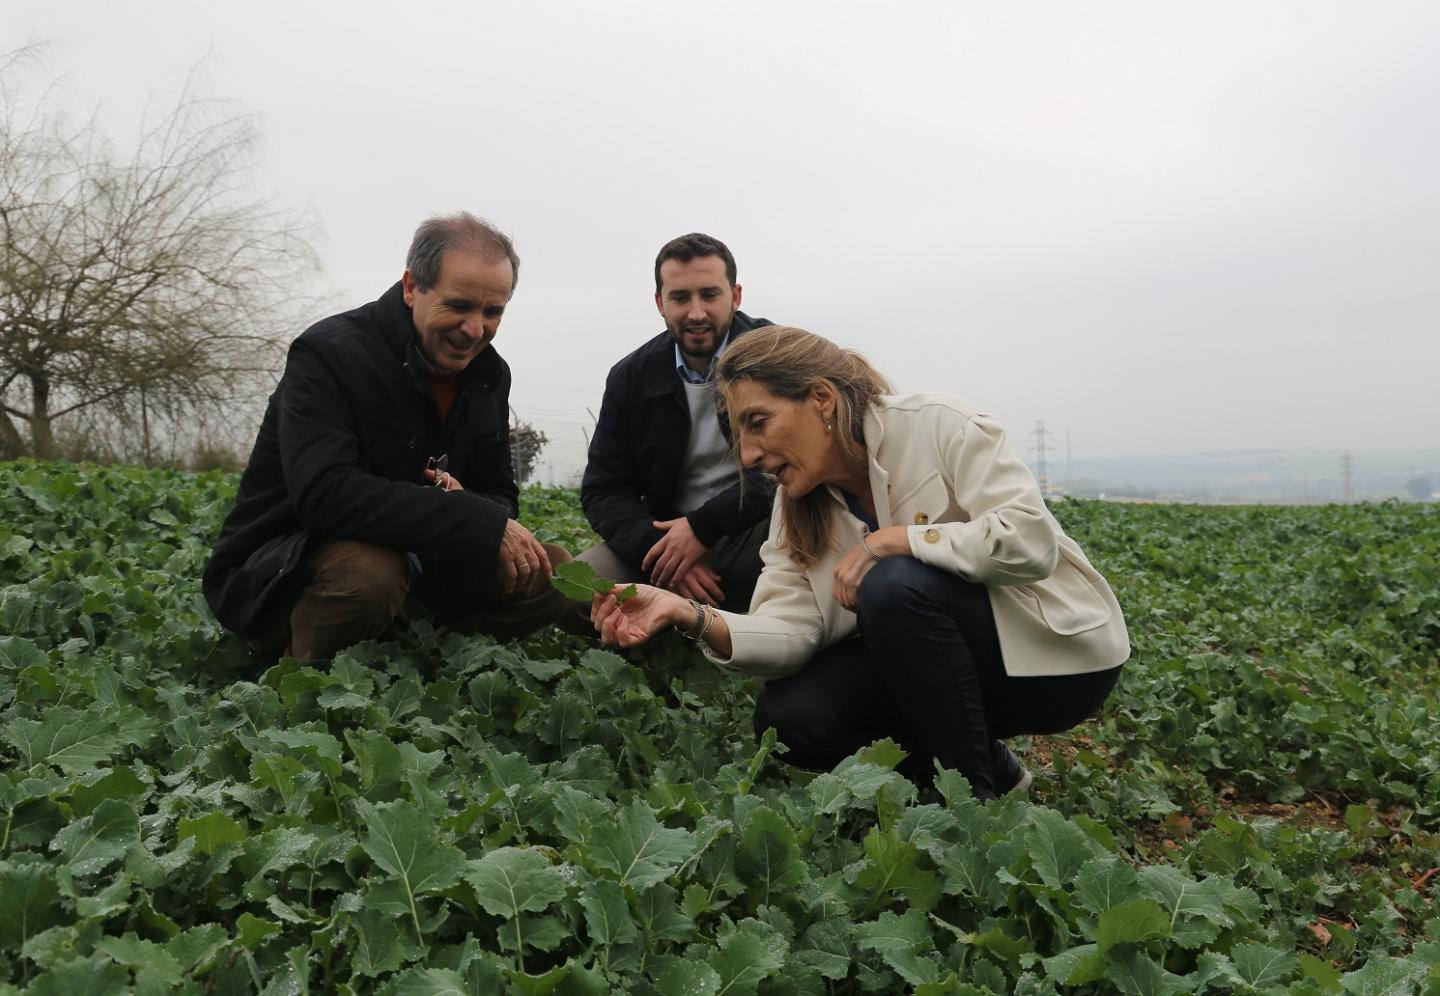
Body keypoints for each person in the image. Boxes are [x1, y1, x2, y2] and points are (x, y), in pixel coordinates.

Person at [590, 326, 1130, 799]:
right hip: (936, 667)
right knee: (793, 719)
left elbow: (1029, 541)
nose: (748, 455)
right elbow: (791, 629)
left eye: (758, 422)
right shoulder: (796, 506)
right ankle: (991, 767)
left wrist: (895, 541)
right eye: (739, 434)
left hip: (1055, 659)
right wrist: (688, 613)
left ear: (821, 398)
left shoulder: (938, 425)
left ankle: (972, 810)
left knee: (894, 585)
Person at [203, 212, 571, 661]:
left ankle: (425, 649)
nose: (476, 330)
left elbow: (499, 494)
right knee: (370, 572)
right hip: (289, 562)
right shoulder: (329, 354)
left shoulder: (488, 374)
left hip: (421, 560)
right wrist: (465, 515)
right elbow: (324, 495)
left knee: (552, 567)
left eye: (492, 311)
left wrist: (474, 506)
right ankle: (298, 674)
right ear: (412, 286)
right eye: (459, 306)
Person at [578, 233, 776, 612]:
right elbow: (604, 490)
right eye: (680, 297)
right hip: (668, 538)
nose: (696, 313)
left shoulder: (773, 356)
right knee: (583, 586)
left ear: (735, 297)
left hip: (755, 531)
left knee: (802, 546)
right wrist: (660, 550)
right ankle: (688, 616)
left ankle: (719, 619)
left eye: (710, 295)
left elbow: (789, 469)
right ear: (660, 303)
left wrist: (703, 527)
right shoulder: (631, 376)